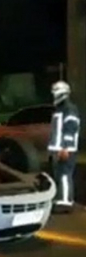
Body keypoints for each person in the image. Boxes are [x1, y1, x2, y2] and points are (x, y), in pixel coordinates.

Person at [48, 81, 80, 213]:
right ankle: (60, 199)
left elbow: (70, 129)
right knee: (59, 175)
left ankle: (66, 202)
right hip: (58, 150)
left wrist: (65, 147)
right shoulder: (60, 109)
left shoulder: (69, 109)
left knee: (65, 176)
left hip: (66, 151)